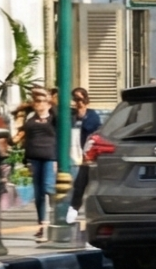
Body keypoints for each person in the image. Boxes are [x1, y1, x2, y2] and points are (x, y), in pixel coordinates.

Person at [13, 87, 61, 239]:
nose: (38, 104)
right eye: (36, 101)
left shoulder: (53, 117)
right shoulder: (30, 118)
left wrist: (50, 99)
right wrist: (25, 160)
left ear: (48, 103)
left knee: (48, 186)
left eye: (41, 101)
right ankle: (42, 223)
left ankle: (55, 216)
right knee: (38, 192)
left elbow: (62, 120)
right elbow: (22, 135)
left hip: (49, 157)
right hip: (33, 157)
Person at [64, 87, 104, 225]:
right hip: (72, 154)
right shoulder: (70, 115)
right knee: (74, 185)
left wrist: (82, 117)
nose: (77, 102)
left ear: (86, 100)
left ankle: (76, 209)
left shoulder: (92, 115)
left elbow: (93, 129)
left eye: (80, 99)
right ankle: (71, 209)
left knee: (82, 183)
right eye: (75, 99)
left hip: (86, 156)